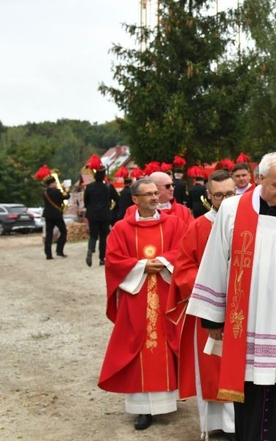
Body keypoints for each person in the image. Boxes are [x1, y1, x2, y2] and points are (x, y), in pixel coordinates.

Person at [186, 152, 276, 441]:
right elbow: (214, 261)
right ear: (260, 179)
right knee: (251, 398)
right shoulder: (233, 210)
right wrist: (213, 316)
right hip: (247, 322)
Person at [98, 178, 184, 431]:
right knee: (137, 343)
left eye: (156, 193)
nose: (155, 197)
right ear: (135, 199)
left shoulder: (175, 223)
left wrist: (164, 262)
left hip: (165, 293)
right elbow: (113, 260)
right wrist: (142, 266)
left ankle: (166, 402)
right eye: (147, 194)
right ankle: (142, 409)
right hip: (136, 297)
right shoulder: (122, 228)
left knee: (165, 343)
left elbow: (183, 250)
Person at [166, 170, 236, 438]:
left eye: (230, 194)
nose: (225, 199)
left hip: (245, 311)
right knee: (213, 367)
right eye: (219, 195)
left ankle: (242, 423)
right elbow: (183, 268)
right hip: (211, 310)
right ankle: (218, 425)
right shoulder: (198, 227)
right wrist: (214, 287)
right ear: (209, 196)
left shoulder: (251, 224)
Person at [84, 164, 120, 267]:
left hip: (92, 214)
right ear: (104, 175)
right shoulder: (108, 187)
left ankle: (90, 250)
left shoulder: (89, 187)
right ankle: (102, 258)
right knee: (103, 236)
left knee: (93, 235)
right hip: (105, 214)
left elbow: (86, 201)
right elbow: (117, 199)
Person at [42, 174, 70, 260]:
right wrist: (67, 190)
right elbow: (66, 197)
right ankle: (59, 250)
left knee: (49, 234)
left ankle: (48, 254)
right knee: (63, 231)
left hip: (48, 215)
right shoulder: (56, 191)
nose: (56, 184)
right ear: (52, 183)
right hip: (57, 215)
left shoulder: (45, 192)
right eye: (55, 182)